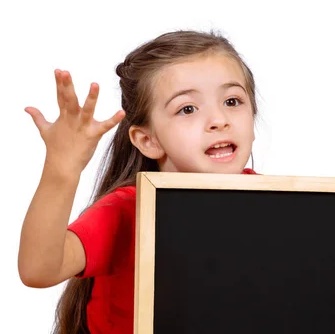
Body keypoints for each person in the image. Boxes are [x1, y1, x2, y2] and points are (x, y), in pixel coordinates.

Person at [18, 30, 260, 334]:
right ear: (148, 140)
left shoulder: (281, 206)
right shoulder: (128, 210)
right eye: (188, 108)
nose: (219, 120)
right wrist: (62, 170)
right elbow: (38, 269)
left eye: (233, 100)